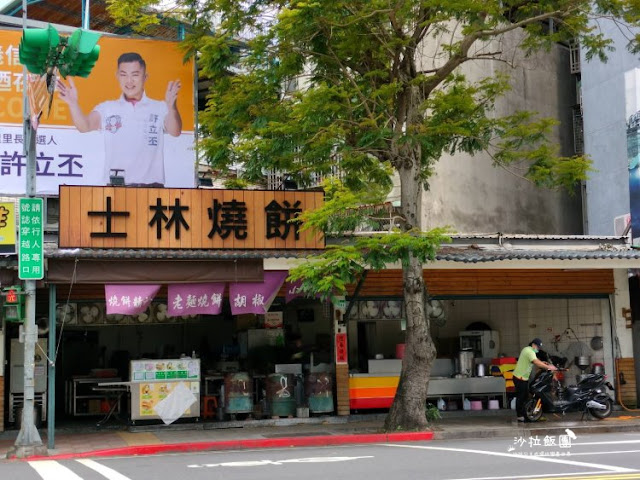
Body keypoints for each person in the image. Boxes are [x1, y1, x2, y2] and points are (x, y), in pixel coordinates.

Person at [56, 52, 182, 187]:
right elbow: (85, 126)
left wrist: (172, 107)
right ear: (117, 76)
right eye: (123, 75)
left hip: (152, 188)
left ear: (145, 77)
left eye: (135, 75)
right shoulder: (107, 108)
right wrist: (73, 104)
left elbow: (175, 131)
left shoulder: (160, 107)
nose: (129, 81)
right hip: (116, 187)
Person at [512, 338, 557, 422]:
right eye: (538, 347)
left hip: (522, 377)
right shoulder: (529, 351)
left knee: (525, 396)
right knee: (521, 397)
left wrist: (543, 363)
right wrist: (549, 367)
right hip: (519, 378)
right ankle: (520, 415)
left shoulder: (528, 350)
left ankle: (526, 414)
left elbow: (535, 360)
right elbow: (536, 362)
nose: (538, 349)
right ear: (533, 344)